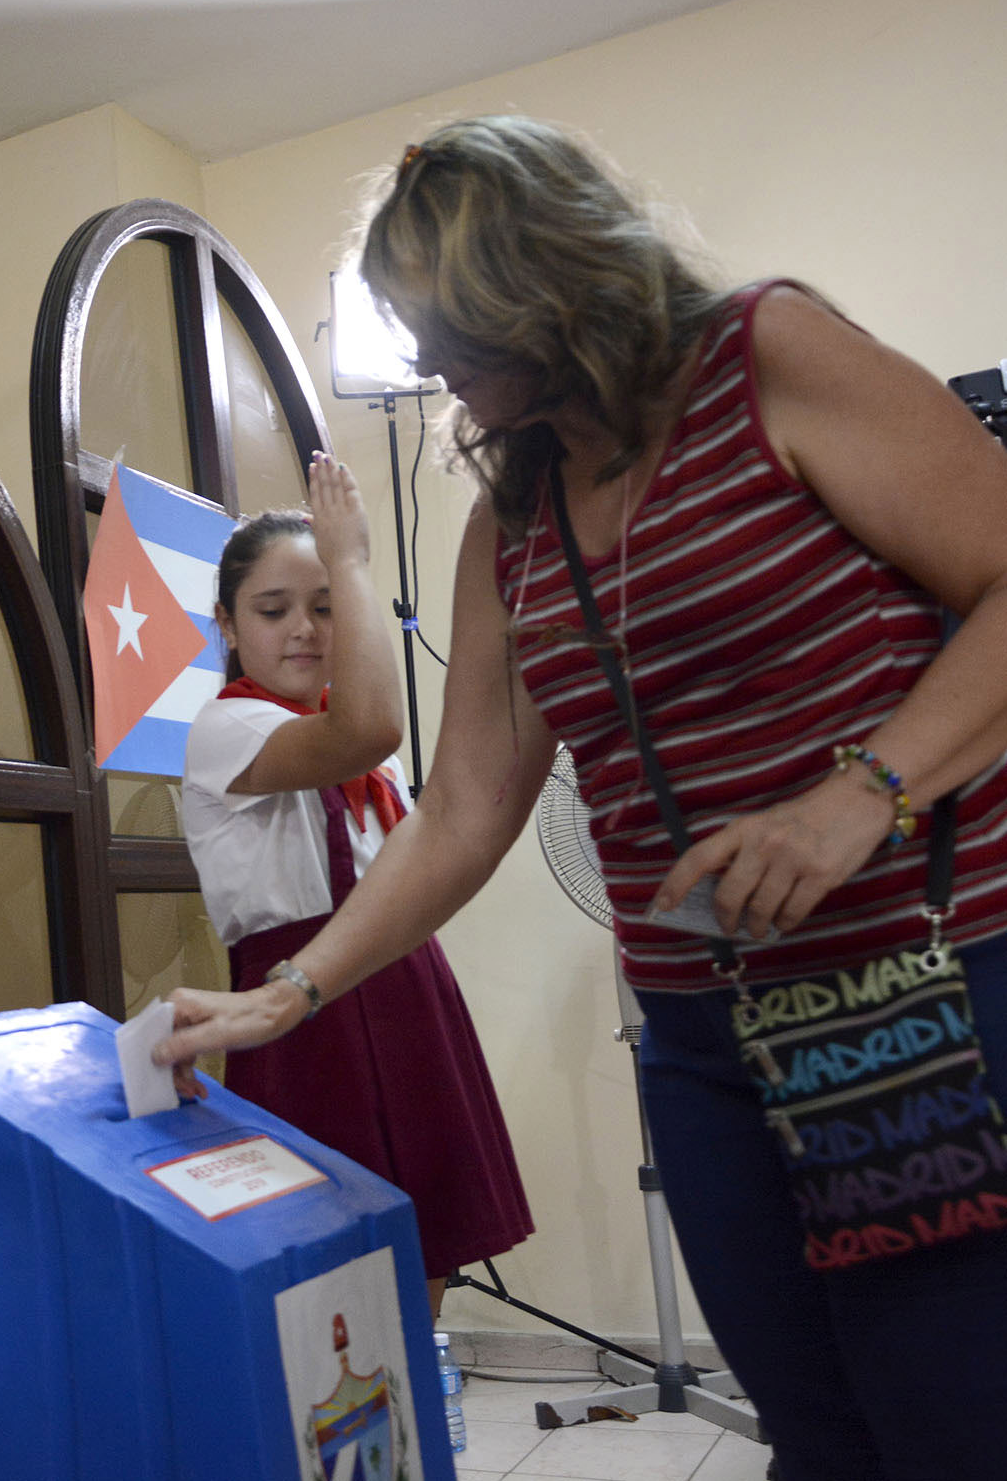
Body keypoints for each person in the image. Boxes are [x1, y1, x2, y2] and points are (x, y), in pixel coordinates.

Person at [156, 116, 1007, 1480]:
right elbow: (466, 805)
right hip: (699, 1035)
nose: (429, 366)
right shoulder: (514, 519)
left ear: (538, 283)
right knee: (818, 1432)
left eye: (445, 330)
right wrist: (291, 993)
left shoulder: (769, 357)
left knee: (954, 1420)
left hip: (909, 988)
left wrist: (861, 796)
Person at [183, 454, 531, 1316]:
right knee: (322, 1262)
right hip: (302, 1009)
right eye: (274, 610)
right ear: (226, 623)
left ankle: (414, 1382)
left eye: (327, 606)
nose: (304, 629)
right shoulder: (227, 728)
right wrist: (349, 559)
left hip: (406, 982)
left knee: (425, 1244)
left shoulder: (373, 765)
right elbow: (368, 725)